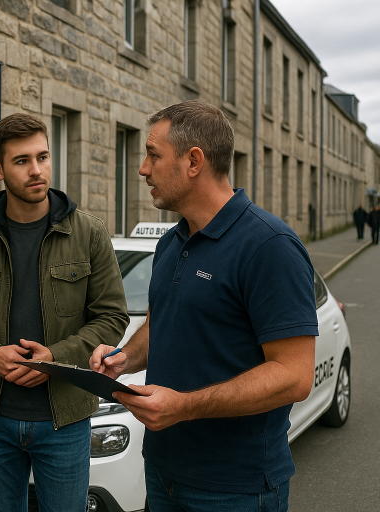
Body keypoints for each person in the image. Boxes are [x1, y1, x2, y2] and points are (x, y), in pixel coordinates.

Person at [90, 100, 317, 512]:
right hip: (162, 472)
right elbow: (165, 323)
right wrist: (123, 358)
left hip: (236, 488)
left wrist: (184, 406)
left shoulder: (270, 247)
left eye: (153, 155)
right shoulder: (170, 242)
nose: (142, 169)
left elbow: (295, 376)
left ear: (193, 161)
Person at [0, 113, 129, 512]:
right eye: (22, 161)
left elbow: (112, 317)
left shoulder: (89, 233)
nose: (37, 170)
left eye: (43, 157)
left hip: (65, 417)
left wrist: (55, 358)